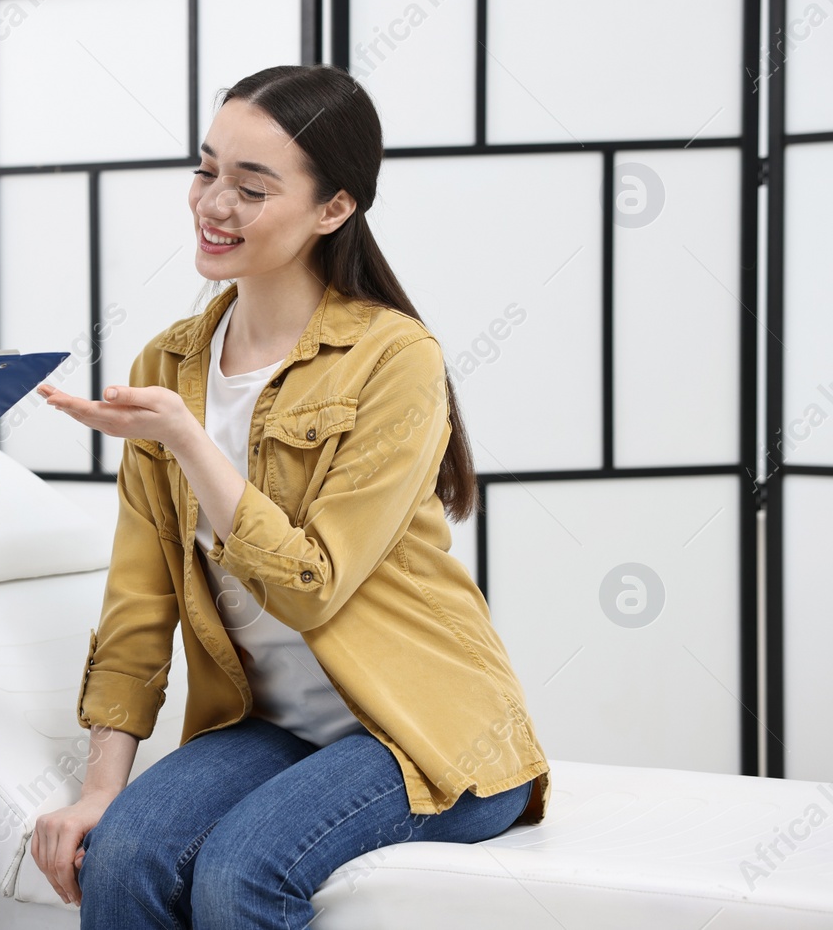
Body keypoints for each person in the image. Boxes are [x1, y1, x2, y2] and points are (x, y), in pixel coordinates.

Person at [29, 63, 549, 928]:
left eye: (252, 187)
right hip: (274, 727)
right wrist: (97, 792)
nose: (213, 203)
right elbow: (139, 604)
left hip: (424, 732)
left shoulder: (394, 358)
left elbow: (311, 584)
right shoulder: (166, 367)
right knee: (121, 854)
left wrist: (191, 442)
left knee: (240, 875)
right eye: (206, 171)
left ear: (333, 208)